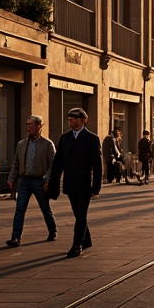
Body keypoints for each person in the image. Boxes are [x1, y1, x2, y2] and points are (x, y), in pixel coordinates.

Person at [48, 107, 103, 258]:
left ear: (83, 120)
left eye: (74, 119)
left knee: (81, 214)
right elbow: (58, 162)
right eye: (69, 119)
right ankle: (87, 240)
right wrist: (53, 182)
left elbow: (98, 165)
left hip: (84, 183)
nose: (71, 121)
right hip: (70, 183)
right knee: (77, 213)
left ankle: (76, 245)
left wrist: (96, 188)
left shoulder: (92, 138)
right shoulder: (65, 138)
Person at [6, 114, 58, 247]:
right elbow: (16, 163)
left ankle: (52, 231)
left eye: (31, 124)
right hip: (24, 181)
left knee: (45, 208)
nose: (28, 127)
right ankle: (15, 237)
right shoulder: (22, 144)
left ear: (39, 126)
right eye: (27, 124)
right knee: (19, 209)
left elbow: (53, 165)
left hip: (39, 181)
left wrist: (47, 180)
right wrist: (11, 178)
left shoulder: (47, 144)